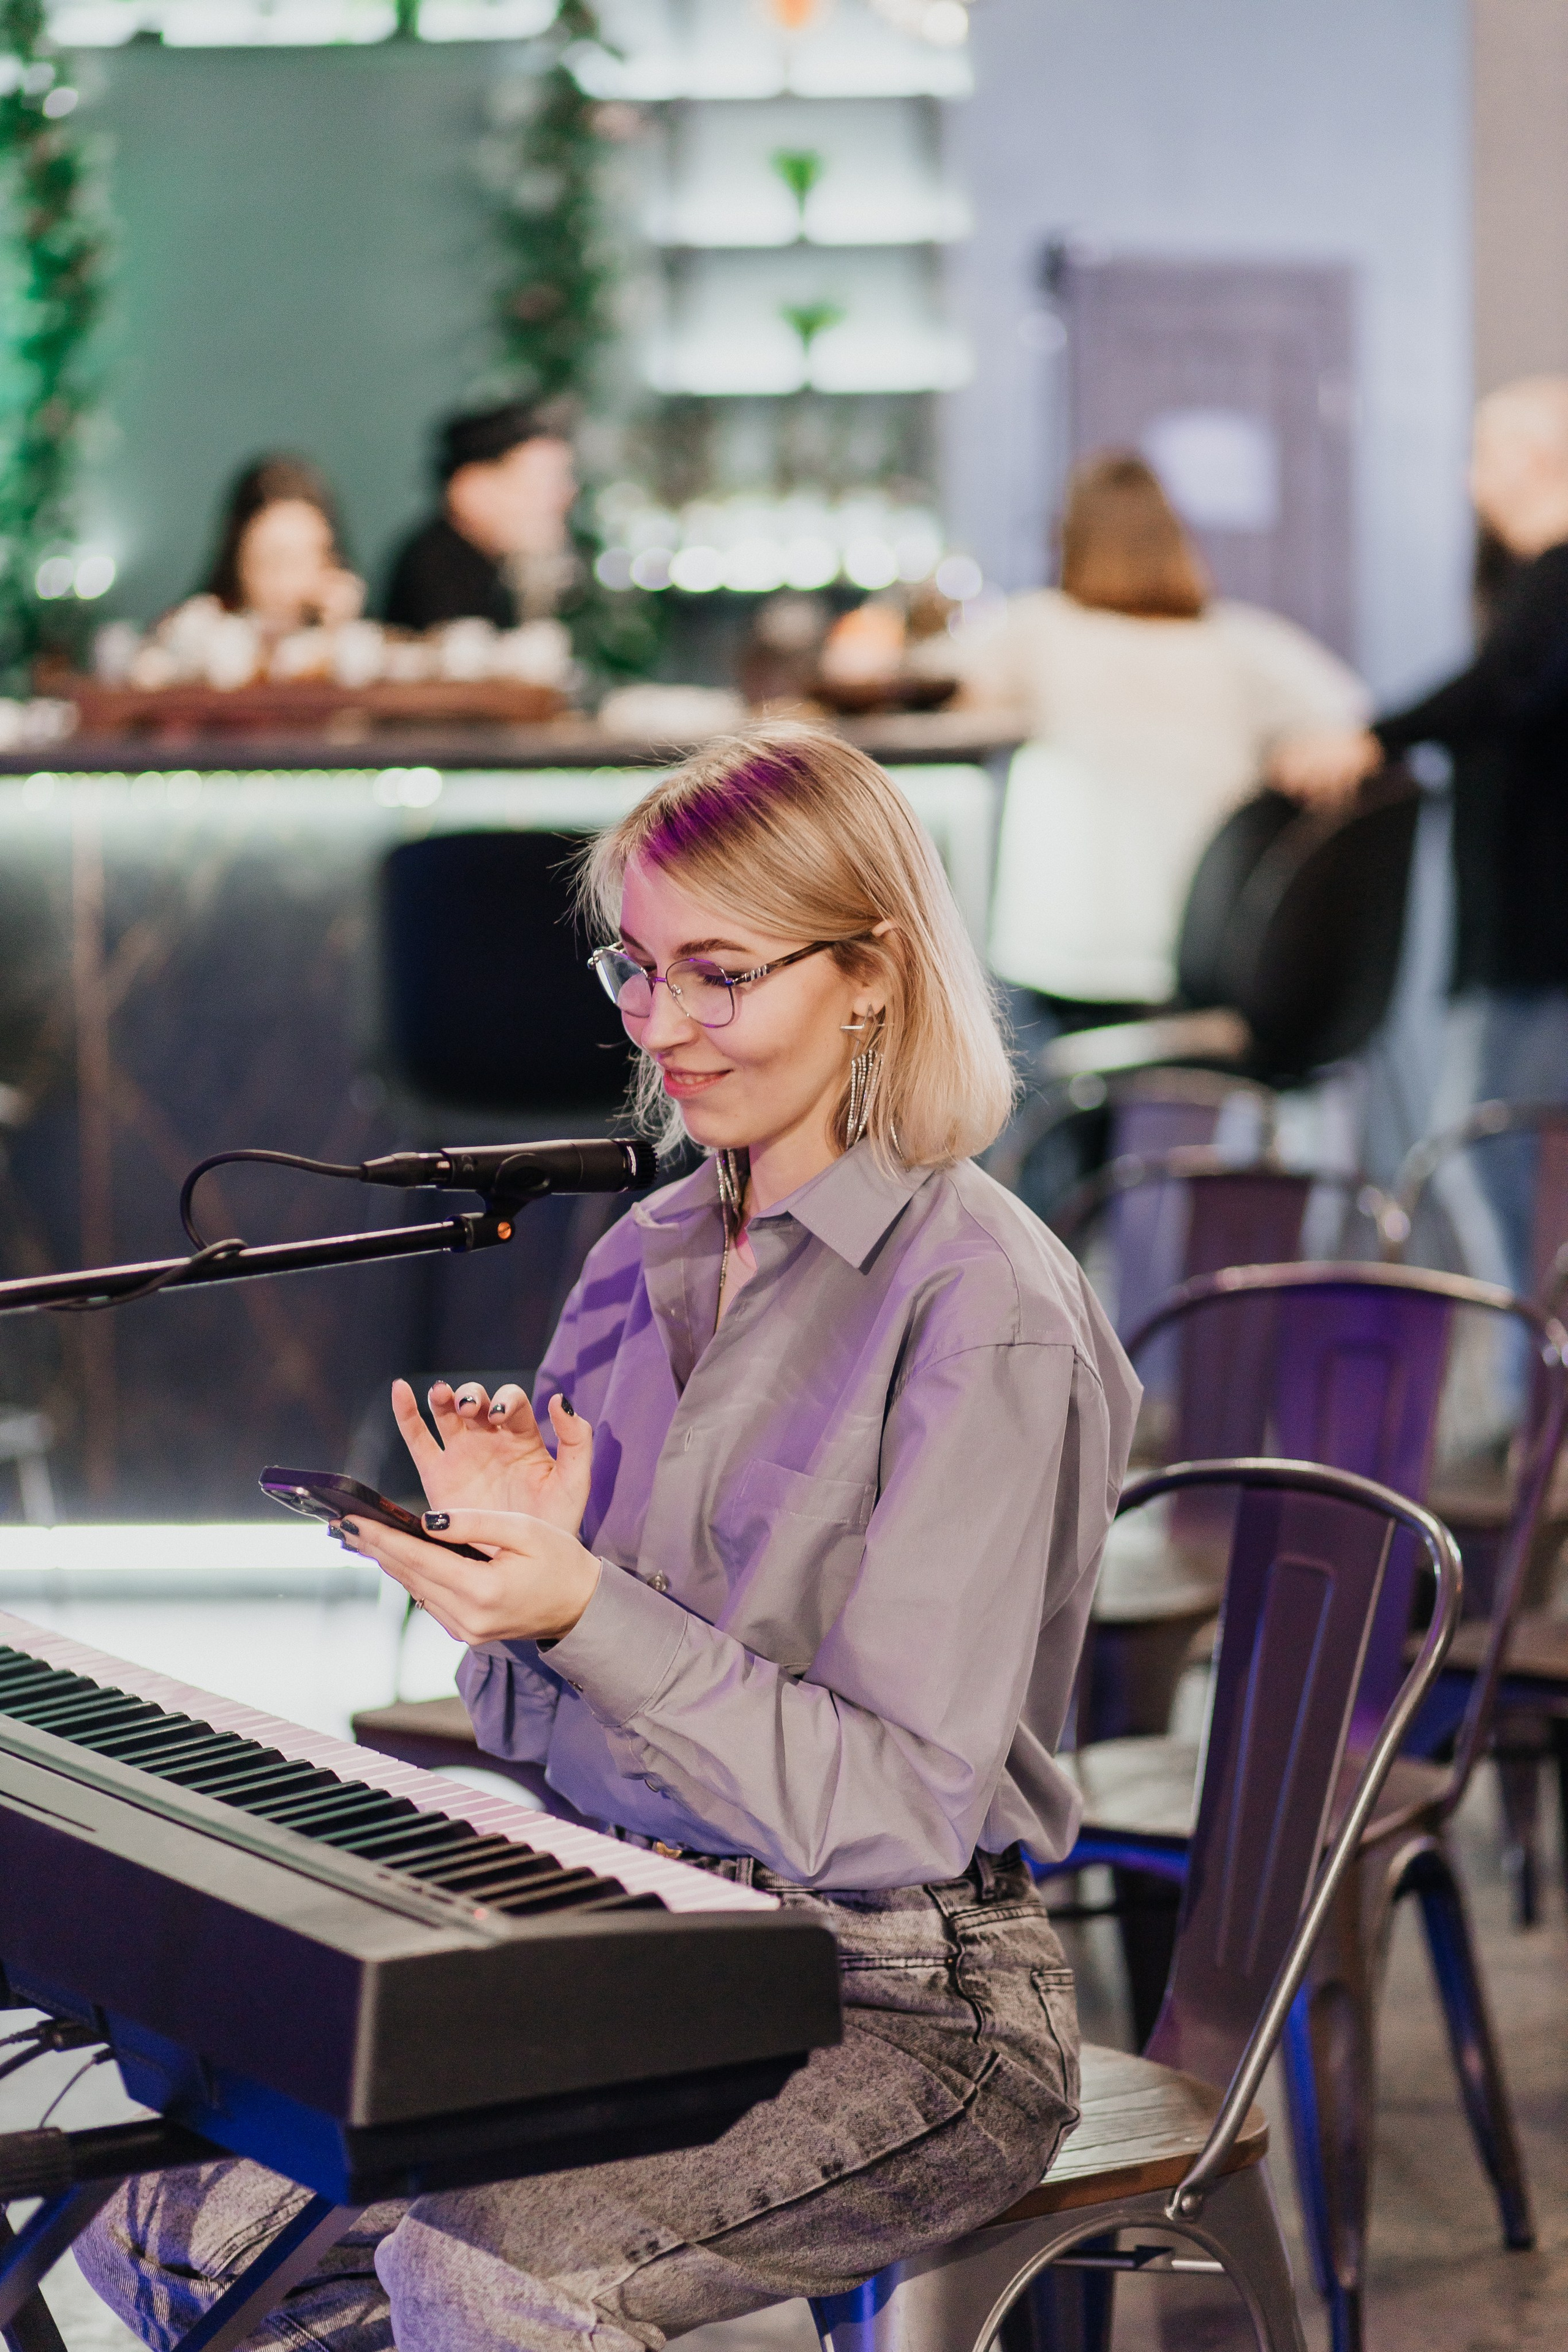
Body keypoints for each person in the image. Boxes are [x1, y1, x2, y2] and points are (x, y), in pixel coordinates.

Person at [78, 725, 1139, 2352]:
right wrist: (509, 1596)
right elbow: (551, 1739)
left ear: (872, 975)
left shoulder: (980, 1303)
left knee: (485, 2270)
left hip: (913, 2006)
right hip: (637, 1925)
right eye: (637, 974)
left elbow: (901, 1810)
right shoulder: (644, 1252)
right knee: (166, 2214)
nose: (662, 1028)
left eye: (719, 975)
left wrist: (587, 1614)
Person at [1274, 376, 1568, 1291]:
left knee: (1474, 1146)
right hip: (1521, 933)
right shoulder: (1530, 583)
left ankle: (1536, 1385)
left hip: (1539, 939)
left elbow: (1505, 689)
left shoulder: (1559, 578)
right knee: (1486, 1150)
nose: (1469, 477)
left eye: (1482, 453)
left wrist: (1374, 738)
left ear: (1536, 460)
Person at [956, 451, 1370, 1028]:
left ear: (1069, 538)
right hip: (1211, 942)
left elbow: (935, 692)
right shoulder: (1243, 642)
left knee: (1054, 1077)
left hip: (1071, 947)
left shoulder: (1035, 629)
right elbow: (1354, 722)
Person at [383, 401, 578, 633]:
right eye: (539, 485)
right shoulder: (436, 571)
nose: (562, 498)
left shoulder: (503, 566)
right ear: (470, 489)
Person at [200, 454, 364, 635]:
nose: (284, 585)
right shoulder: (199, 631)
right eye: (271, 563)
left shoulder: (353, 644)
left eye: (299, 562)